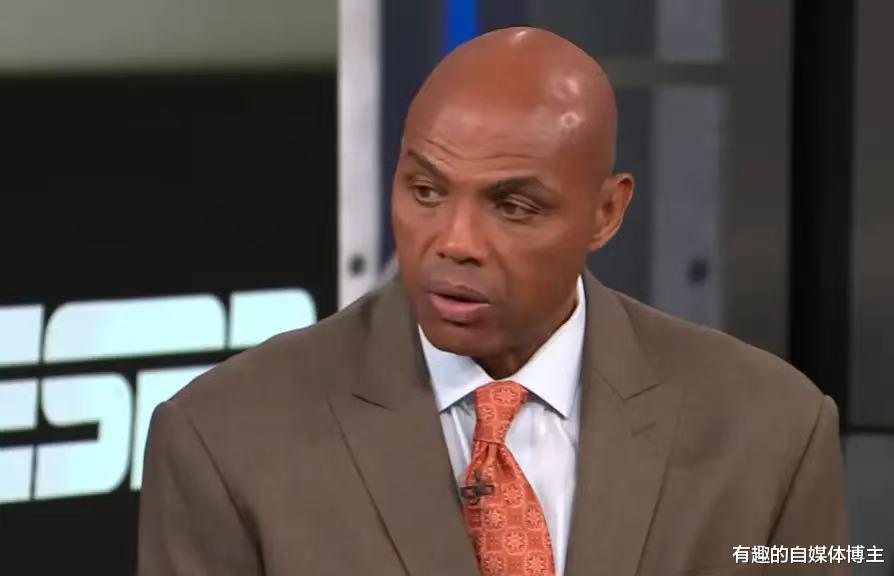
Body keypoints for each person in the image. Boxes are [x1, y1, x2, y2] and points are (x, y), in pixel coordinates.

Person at [138, 27, 849, 576]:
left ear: (606, 213)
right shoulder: (222, 441)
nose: (454, 242)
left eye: (512, 206)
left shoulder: (774, 432)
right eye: (425, 191)